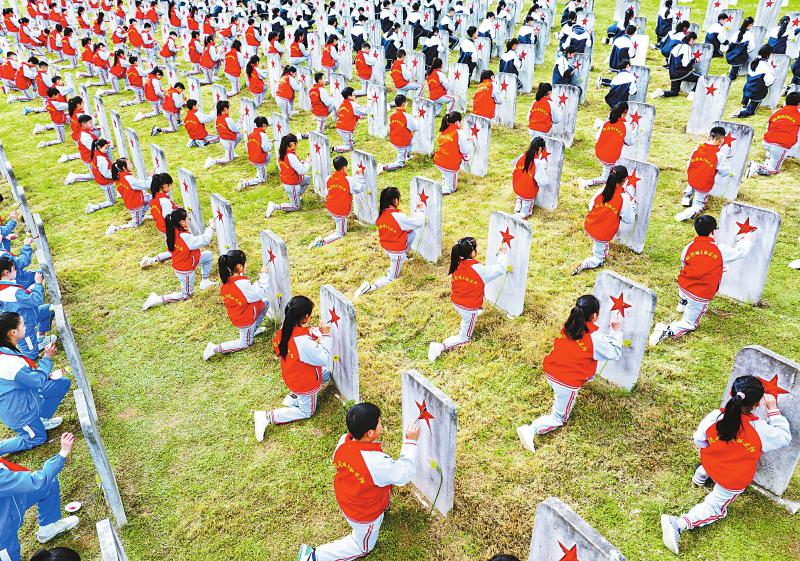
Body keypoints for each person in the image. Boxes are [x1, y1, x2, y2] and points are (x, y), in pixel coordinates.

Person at [660, 376, 791, 554]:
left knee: (712, 460)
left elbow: (699, 440)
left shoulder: (715, 416)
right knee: (714, 508)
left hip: (711, 462)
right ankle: (678, 523)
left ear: (732, 393)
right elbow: (784, 436)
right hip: (732, 479)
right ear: (757, 404)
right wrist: (773, 410)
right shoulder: (760, 430)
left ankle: (700, 476)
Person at [297, 402, 419, 561]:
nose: (382, 424)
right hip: (364, 514)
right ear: (370, 433)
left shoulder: (343, 441)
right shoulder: (375, 463)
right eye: (380, 422)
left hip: (348, 498)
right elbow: (403, 474)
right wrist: (410, 442)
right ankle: (314, 556)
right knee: (362, 547)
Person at [516, 295, 623, 451]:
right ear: (594, 316)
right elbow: (615, 353)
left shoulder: (569, 325)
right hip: (566, 381)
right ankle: (531, 429)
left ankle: (562, 392)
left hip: (551, 370)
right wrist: (616, 330)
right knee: (559, 418)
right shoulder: (594, 338)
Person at [649, 215, 754, 345]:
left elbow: (685, 264)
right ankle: (667, 330)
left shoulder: (689, 247)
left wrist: (716, 268)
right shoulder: (719, 249)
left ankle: (682, 302)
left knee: (685, 281)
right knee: (690, 323)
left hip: (684, 286)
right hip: (699, 294)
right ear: (713, 231)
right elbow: (740, 252)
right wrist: (746, 238)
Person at [254, 296, 332, 438]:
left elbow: (297, 341)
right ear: (306, 317)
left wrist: (315, 332)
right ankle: (267, 416)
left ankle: (294, 397)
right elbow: (323, 359)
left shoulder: (285, 329)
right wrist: (326, 336)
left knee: (327, 374)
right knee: (307, 412)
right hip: (305, 382)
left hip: (292, 375)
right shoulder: (302, 342)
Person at [0, 433, 80, 561]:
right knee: (7, 554)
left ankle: (48, 529)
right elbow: (37, 481)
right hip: (2, 530)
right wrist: (62, 453)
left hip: (11, 497)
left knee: (49, 484)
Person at [427, 237, 509, 361]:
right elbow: (500, 269)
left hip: (456, 301)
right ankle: (440, 347)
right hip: (468, 308)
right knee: (465, 338)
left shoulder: (456, 262)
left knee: (470, 300)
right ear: (473, 252)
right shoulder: (478, 269)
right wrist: (503, 254)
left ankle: (472, 315)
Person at [0, 310, 69, 455]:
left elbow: (27, 378)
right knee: (38, 438)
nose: (25, 326)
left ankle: (41, 419)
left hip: (27, 396)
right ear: (13, 332)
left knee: (61, 384)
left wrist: (45, 376)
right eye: (22, 324)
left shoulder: (5, 349)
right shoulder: (9, 363)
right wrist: (47, 358)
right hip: (19, 412)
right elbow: (36, 381)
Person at [354, 187, 425, 299]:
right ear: (395, 200)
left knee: (412, 234)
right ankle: (370, 288)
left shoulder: (381, 213)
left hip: (387, 246)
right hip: (396, 252)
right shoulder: (398, 217)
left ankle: (404, 256)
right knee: (392, 278)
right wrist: (421, 210)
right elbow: (419, 222)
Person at [141, 208, 217, 310]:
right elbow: (205, 240)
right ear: (182, 222)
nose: (188, 221)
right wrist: (211, 226)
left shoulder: (172, 232)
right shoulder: (185, 237)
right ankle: (156, 299)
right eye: (187, 219)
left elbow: (171, 252)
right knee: (186, 296)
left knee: (208, 256)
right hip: (185, 270)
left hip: (189, 260)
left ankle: (205, 281)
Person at [203, 250, 269, 361]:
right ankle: (214, 348)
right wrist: (264, 275)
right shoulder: (241, 284)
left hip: (241, 313)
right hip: (245, 319)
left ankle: (252, 331)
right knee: (245, 343)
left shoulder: (228, 281)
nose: (246, 264)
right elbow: (261, 292)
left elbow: (248, 293)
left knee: (265, 303)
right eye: (245, 262)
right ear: (239, 267)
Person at [573, 165, 637, 275]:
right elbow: (629, 219)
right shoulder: (623, 198)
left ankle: (596, 248)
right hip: (602, 233)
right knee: (600, 257)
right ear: (624, 180)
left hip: (590, 225)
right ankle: (586, 263)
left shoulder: (601, 190)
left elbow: (591, 206)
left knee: (597, 241)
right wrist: (633, 206)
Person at [0, 257, 56, 358]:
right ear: (6, 272)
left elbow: (19, 301)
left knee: (49, 309)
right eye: (14, 269)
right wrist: (38, 284)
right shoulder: (12, 291)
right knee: (31, 355)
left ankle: (40, 339)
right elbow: (36, 300)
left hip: (29, 315)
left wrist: (28, 291)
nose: (16, 271)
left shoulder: (5, 287)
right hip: (23, 326)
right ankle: (31, 354)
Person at [675, 126, 730, 222]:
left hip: (692, 178)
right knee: (699, 204)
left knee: (695, 174)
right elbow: (724, 172)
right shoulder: (719, 155)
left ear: (709, 137)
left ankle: (687, 195)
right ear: (721, 140)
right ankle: (686, 214)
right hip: (703, 185)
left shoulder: (698, 148)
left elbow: (689, 165)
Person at [309, 156, 365, 248]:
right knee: (341, 233)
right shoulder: (348, 180)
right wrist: (361, 175)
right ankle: (321, 243)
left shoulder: (329, 178)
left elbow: (327, 192)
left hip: (330, 207)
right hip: (340, 211)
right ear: (344, 168)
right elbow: (360, 188)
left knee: (338, 223)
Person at [579, 102, 633, 188]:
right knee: (605, 178)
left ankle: (609, 170)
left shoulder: (607, 122)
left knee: (610, 166)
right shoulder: (625, 126)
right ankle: (587, 182)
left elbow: (597, 136)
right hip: (611, 156)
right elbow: (630, 142)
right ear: (625, 112)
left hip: (600, 152)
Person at [747, 92, 800, 177]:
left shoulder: (777, 111)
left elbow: (768, 125)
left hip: (767, 142)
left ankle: (767, 161)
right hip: (781, 146)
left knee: (773, 156)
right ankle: (756, 166)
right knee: (774, 170)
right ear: (798, 104)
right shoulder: (798, 113)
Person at [265, 133, 311, 217]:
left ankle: (297, 196)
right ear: (292, 144)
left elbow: (290, 166)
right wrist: (308, 161)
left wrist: (301, 162)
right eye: (296, 143)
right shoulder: (291, 156)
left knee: (307, 179)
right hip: (292, 184)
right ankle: (274, 206)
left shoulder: (282, 153)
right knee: (295, 207)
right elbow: (302, 171)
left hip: (288, 180)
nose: (297, 145)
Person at [105, 158, 151, 236]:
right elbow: (145, 185)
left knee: (150, 198)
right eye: (129, 164)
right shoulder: (128, 178)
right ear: (124, 167)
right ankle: (116, 228)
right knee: (136, 224)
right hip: (135, 204)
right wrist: (151, 177)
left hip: (135, 200)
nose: (131, 165)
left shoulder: (119, 176)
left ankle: (141, 215)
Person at [433, 112, 473, 195]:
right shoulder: (459, 132)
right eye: (461, 122)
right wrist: (470, 142)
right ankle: (435, 191)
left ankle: (445, 180)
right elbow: (465, 150)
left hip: (438, 161)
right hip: (450, 165)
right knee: (452, 189)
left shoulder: (444, 129)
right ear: (457, 122)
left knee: (446, 173)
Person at [511, 137, 550, 219]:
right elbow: (542, 181)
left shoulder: (522, 156)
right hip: (528, 192)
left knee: (521, 191)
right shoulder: (539, 163)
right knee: (526, 212)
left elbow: (514, 171)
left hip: (517, 187)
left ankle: (518, 204)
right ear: (540, 148)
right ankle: (518, 215)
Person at [732, 45, 774, 118]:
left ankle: (745, 104)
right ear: (768, 55)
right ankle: (743, 113)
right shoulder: (766, 66)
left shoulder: (753, 62)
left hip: (748, 87)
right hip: (757, 91)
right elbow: (769, 82)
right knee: (751, 111)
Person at [651, 32, 698, 99]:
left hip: (673, 73)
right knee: (700, 79)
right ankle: (692, 93)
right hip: (682, 72)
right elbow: (685, 64)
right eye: (695, 40)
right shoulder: (687, 47)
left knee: (674, 92)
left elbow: (669, 61)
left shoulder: (677, 46)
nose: (695, 42)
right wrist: (694, 60)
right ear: (691, 39)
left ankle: (661, 92)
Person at [382, 94, 417, 172]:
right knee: (400, 163)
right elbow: (414, 128)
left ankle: (407, 154)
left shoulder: (392, 115)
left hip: (394, 139)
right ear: (404, 104)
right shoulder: (407, 116)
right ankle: (387, 167)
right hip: (402, 142)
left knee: (411, 140)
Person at [204, 100, 243, 168]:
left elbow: (217, 128)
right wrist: (241, 119)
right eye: (228, 108)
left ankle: (231, 152)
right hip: (228, 141)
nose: (229, 110)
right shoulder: (227, 119)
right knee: (228, 159)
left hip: (223, 139)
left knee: (239, 135)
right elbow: (236, 129)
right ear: (225, 109)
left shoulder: (217, 118)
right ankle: (212, 161)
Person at [237, 116, 272, 191]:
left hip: (252, 158)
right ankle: (245, 183)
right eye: (266, 126)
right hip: (259, 160)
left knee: (269, 155)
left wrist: (268, 141)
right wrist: (270, 143)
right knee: (262, 179)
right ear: (264, 125)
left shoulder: (251, 134)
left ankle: (261, 171)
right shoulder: (262, 135)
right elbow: (266, 148)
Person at [334, 87, 368, 153]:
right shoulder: (352, 104)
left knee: (348, 140)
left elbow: (349, 114)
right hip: (346, 129)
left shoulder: (344, 103)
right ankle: (335, 149)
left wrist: (359, 116)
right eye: (353, 94)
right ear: (349, 96)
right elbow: (365, 112)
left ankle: (350, 141)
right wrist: (371, 103)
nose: (355, 96)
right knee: (350, 148)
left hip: (340, 126)